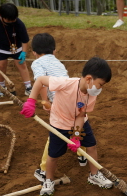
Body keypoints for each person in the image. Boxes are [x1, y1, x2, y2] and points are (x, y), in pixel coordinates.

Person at [20, 57, 113, 195]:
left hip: (79, 122)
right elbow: (40, 81)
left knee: (91, 146)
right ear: (88, 79)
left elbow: (80, 116)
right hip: (59, 124)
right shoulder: (65, 83)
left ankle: (94, 175)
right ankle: (49, 180)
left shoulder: (91, 94)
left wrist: (76, 136)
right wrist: (31, 101)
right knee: (53, 155)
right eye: (100, 84)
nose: (100, 88)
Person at [30, 33, 88, 183]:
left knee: (56, 131)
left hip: (60, 102)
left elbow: (41, 81)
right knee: (79, 122)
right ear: (54, 51)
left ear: (34, 53)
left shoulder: (37, 63)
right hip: (75, 98)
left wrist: (45, 101)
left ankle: (44, 171)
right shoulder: (58, 62)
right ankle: (82, 154)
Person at [0, 3, 32, 98]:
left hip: (16, 47)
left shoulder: (19, 23)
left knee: (22, 64)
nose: (11, 22)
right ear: (1, 16)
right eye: (9, 20)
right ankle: (2, 87)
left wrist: (24, 52)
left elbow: (25, 40)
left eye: (13, 20)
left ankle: (28, 87)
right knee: (1, 65)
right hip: (1, 48)